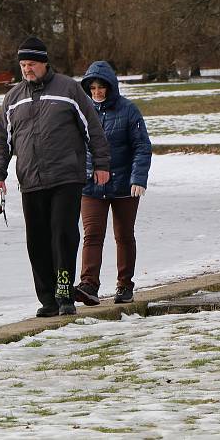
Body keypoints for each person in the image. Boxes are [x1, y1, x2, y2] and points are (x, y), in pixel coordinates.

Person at [0, 36, 111, 317]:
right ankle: (47, 299)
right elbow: (1, 140)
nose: (27, 69)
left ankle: (65, 294)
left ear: (44, 63)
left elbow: (93, 128)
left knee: (63, 236)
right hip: (31, 180)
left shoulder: (68, 89)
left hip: (66, 177)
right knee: (37, 241)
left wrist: (101, 164)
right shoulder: (13, 98)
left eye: (31, 64)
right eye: (22, 64)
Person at [73, 60, 151, 305]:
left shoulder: (129, 111)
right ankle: (89, 285)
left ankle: (124, 285)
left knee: (124, 235)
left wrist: (138, 178)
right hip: (91, 185)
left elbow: (142, 146)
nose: (97, 92)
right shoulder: (82, 112)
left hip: (124, 186)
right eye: (93, 88)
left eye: (101, 87)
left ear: (111, 87)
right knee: (92, 235)